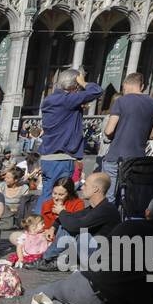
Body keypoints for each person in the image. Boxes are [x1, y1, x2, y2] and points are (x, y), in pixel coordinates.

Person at [38, 193, 153, 304]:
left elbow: (99, 259)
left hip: (89, 287)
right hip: (113, 303)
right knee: (57, 301)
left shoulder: (128, 226)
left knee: (48, 292)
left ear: (148, 212)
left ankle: (25, 302)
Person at [38, 68, 103, 212]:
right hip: (61, 157)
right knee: (60, 197)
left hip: (48, 157)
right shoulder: (67, 100)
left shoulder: (50, 100)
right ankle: (47, 228)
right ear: (75, 86)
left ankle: (36, 227)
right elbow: (97, 91)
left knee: (47, 195)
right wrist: (83, 82)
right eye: (78, 87)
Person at [33, 172, 119, 268]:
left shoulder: (106, 209)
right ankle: (48, 259)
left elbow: (75, 226)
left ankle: (46, 259)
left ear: (95, 189)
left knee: (77, 231)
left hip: (102, 258)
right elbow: (73, 216)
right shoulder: (95, 207)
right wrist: (54, 227)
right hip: (92, 252)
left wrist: (61, 212)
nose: (82, 188)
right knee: (68, 225)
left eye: (85, 185)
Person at [101, 71, 153, 203]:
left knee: (109, 196)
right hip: (137, 157)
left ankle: (110, 223)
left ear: (125, 85)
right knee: (128, 197)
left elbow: (109, 130)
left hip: (116, 155)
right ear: (142, 86)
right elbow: (152, 135)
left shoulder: (121, 101)